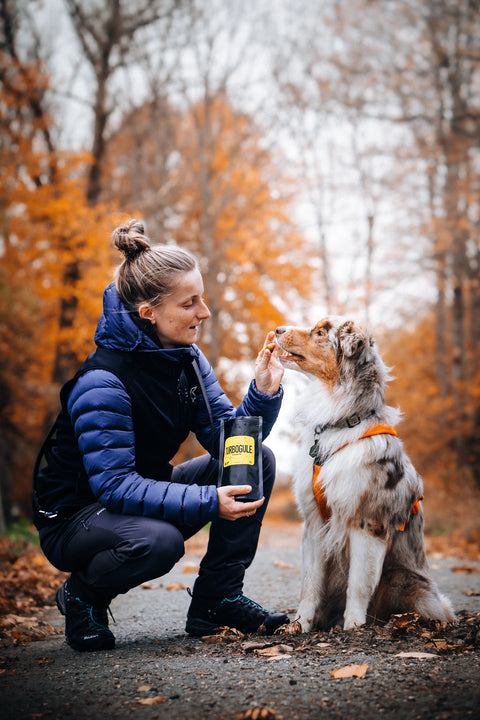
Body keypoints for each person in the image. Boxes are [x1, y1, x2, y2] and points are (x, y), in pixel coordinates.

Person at [33, 219, 289, 652]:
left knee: (255, 461)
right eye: (190, 303)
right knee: (159, 542)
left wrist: (263, 393)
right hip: (77, 518)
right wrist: (211, 502)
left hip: (137, 496)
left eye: (201, 299)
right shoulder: (102, 382)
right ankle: (84, 596)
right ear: (148, 313)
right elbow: (113, 486)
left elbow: (228, 442)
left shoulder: (186, 360)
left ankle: (217, 601)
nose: (203, 313)